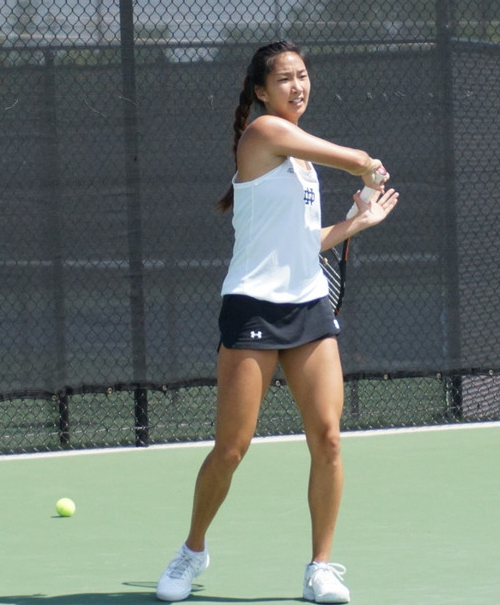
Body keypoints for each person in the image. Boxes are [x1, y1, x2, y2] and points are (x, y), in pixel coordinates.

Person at [155, 41, 399, 603]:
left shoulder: (304, 164)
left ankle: (321, 568)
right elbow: (353, 159)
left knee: (329, 438)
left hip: (308, 306)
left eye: (303, 75)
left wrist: (356, 224)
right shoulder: (263, 133)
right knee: (231, 448)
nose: (298, 86)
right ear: (262, 91)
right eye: (285, 78)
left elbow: (303, 243)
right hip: (253, 306)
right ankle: (192, 550)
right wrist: (366, 163)